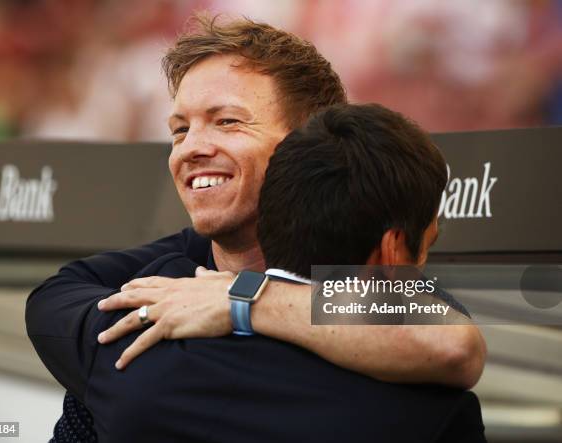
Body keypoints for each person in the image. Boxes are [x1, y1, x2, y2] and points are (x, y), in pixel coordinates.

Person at [26, 15, 486, 442]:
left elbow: (453, 345)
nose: (192, 148)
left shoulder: (383, 297)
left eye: (227, 122)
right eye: (180, 129)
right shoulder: (142, 292)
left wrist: (242, 301)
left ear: (307, 142)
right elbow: (50, 306)